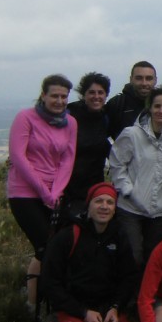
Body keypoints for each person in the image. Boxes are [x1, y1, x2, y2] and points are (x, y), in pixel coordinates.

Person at [40, 182, 140, 322]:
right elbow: (50, 281)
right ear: (89, 205)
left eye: (110, 202)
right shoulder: (68, 235)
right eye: (98, 201)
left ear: (115, 209)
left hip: (106, 309)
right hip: (72, 308)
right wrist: (83, 312)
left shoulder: (119, 236)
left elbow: (129, 277)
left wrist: (116, 308)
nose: (104, 206)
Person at [7, 74, 78, 308]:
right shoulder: (26, 117)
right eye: (54, 95)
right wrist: (44, 192)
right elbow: (18, 156)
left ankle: (45, 299)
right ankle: (38, 303)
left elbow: (67, 160)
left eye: (63, 97)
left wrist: (56, 192)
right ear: (43, 95)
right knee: (45, 246)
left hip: (54, 193)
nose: (59, 101)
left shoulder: (70, 123)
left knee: (58, 247)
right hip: (24, 193)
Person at [109, 85, 162, 267]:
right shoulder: (132, 134)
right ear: (149, 108)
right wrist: (128, 191)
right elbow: (116, 164)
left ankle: (147, 295)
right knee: (133, 255)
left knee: (154, 258)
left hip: (159, 210)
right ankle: (130, 294)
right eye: (157, 106)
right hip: (130, 207)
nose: (161, 111)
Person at [62, 72, 112, 219]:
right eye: (91, 92)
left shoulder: (105, 118)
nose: (96, 96)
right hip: (68, 186)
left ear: (106, 95)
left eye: (100, 92)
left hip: (94, 185)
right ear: (84, 94)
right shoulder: (69, 114)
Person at [105, 61, 158, 140]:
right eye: (139, 78)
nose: (144, 83)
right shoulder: (117, 104)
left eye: (148, 78)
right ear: (131, 79)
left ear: (155, 80)